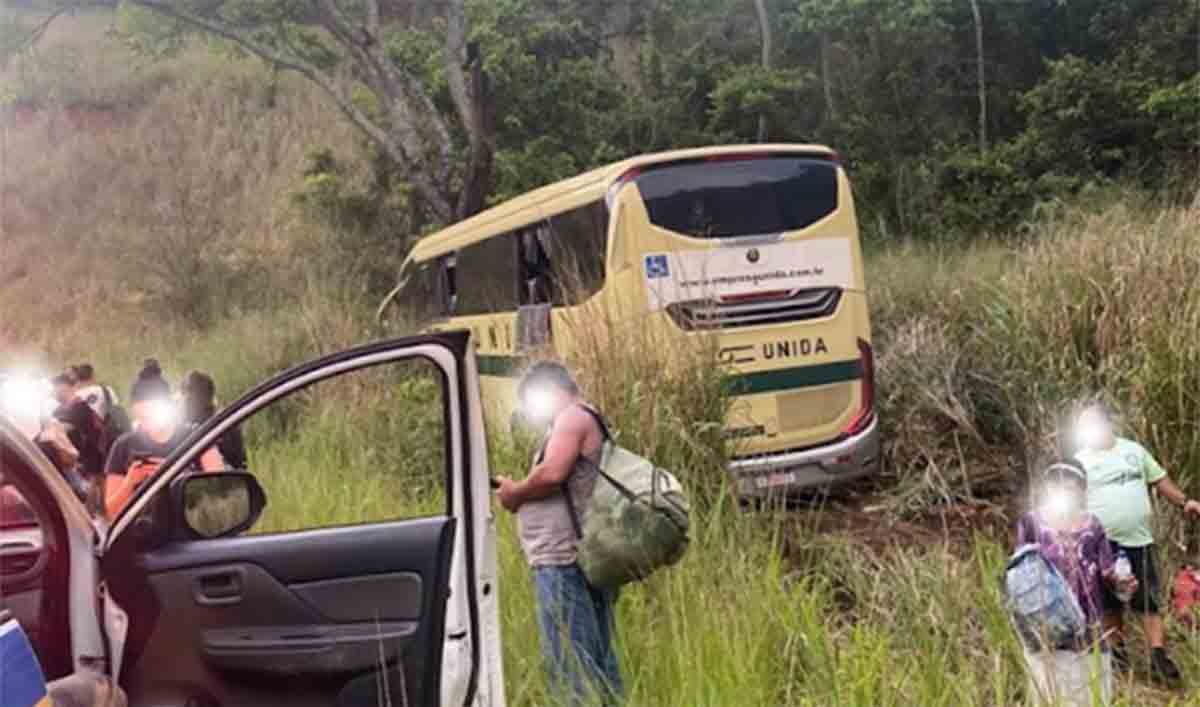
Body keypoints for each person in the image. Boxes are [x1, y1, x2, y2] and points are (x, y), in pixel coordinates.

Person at [494, 362, 623, 706]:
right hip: (582, 558)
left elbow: (551, 474)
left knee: (572, 669)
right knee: (596, 664)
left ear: (549, 390)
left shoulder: (572, 417)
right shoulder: (585, 418)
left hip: (565, 561)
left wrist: (514, 493)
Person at [1073, 402, 1200, 684]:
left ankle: (1158, 657)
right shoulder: (1080, 460)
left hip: (1139, 540)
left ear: (1107, 423)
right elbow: (1072, 498)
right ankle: (1117, 656)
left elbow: (1159, 480)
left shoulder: (1133, 451)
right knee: (1109, 603)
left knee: (1148, 600)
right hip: (1102, 544)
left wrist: (1184, 502)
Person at [1016, 460, 1134, 706]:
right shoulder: (1032, 522)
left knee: (1090, 694)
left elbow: (1108, 572)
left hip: (1089, 627)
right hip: (1046, 628)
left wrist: (1123, 583)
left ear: (1082, 490)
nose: (1063, 488)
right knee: (1048, 694)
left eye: (1071, 483)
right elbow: (1019, 571)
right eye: (1056, 482)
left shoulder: (1093, 525)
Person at [103, 360, 222, 519]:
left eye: (150, 416)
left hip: (191, 531)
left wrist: (177, 477)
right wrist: (130, 483)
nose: (146, 424)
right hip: (142, 535)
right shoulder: (123, 446)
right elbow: (110, 512)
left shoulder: (196, 438)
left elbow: (221, 492)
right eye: (140, 418)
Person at [48, 371, 106, 495]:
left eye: (55, 388)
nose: (53, 392)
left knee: (95, 485)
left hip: (86, 459)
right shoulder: (74, 407)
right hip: (87, 459)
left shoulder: (76, 407)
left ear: (64, 387)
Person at [180, 370, 246, 470]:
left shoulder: (224, 425)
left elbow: (237, 463)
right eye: (185, 394)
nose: (186, 401)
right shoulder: (180, 425)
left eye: (191, 394)